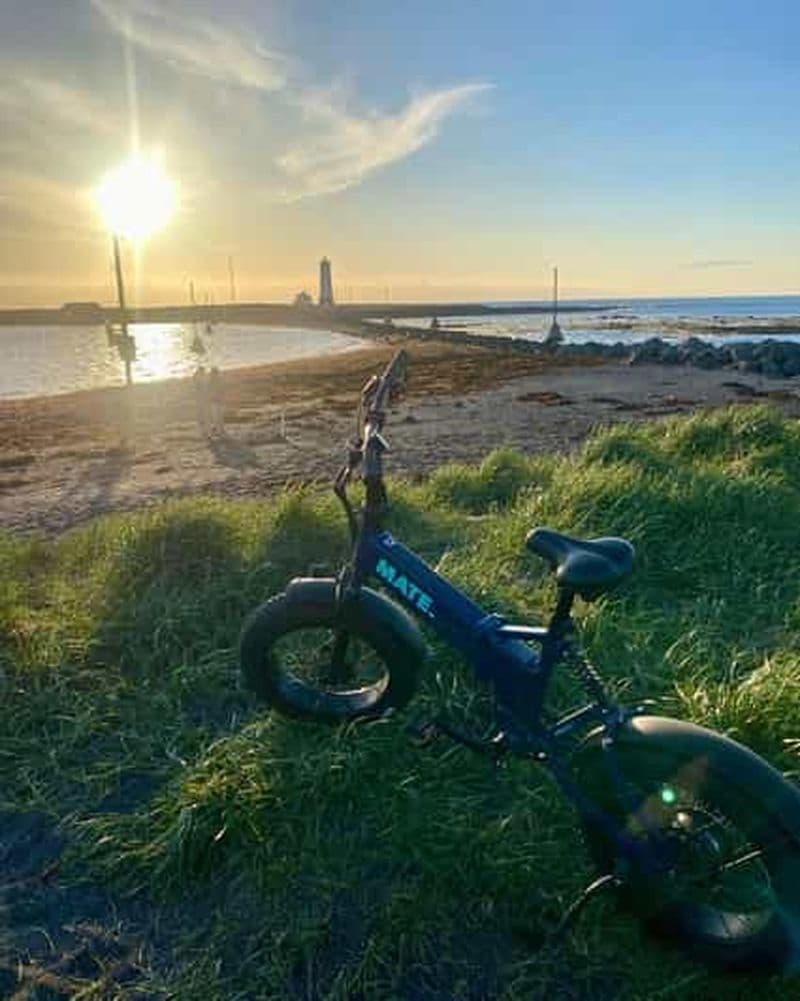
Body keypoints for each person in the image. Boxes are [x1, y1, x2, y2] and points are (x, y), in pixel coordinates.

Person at [208, 366, 224, 438]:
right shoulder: (212, 381)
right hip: (215, 401)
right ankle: (218, 430)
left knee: (218, 416)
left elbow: (221, 390)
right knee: (216, 417)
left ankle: (219, 430)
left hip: (218, 401)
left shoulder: (217, 380)